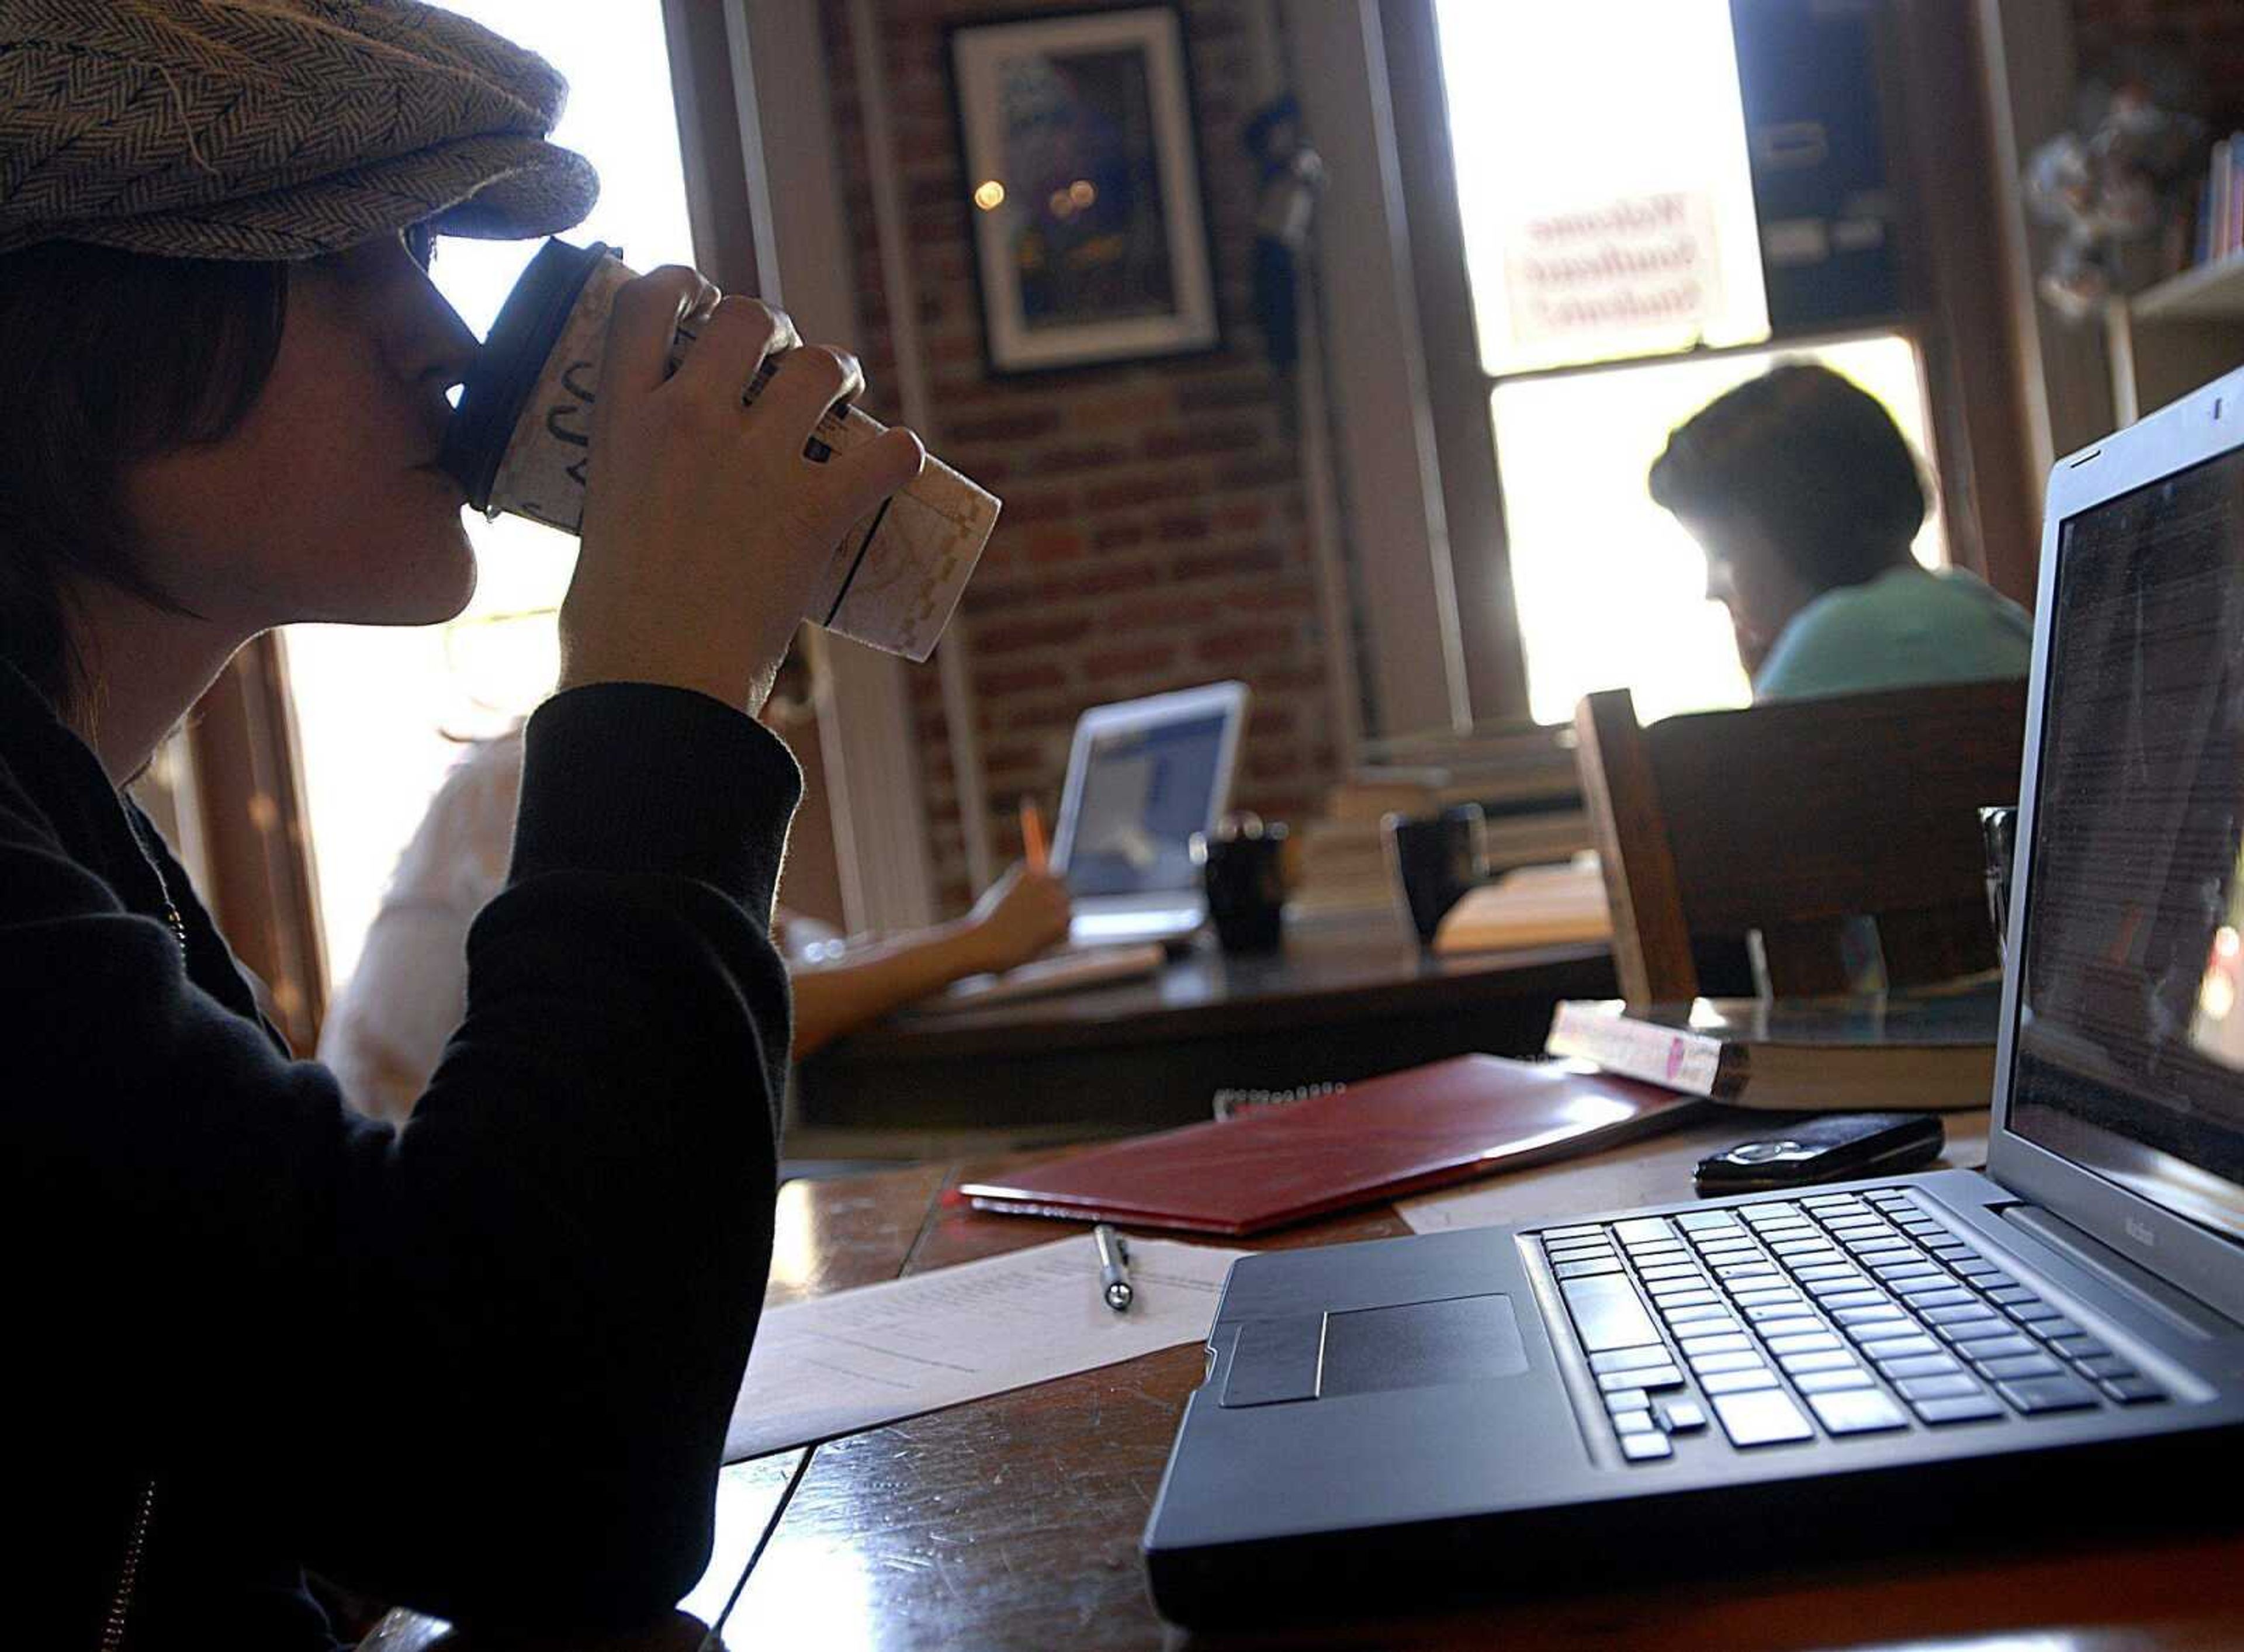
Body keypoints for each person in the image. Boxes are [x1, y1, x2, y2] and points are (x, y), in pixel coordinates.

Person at [0, 4, 924, 1645]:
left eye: (415, 255)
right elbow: (553, 1474)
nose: (438, 338)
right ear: (74, 318)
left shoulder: (71, 828)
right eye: (337, 262)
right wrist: (663, 687)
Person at [321, 672, 1072, 1124]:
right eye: (760, 711)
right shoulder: (530, 788)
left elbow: (766, 949)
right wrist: (977, 944)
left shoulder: (571, 779)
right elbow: (705, 1015)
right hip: (432, 1231)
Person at [1649, 362, 2032, 702]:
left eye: (1721, 553)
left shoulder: (1842, 636)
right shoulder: (1982, 607)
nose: (1711, 591)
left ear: (1797, 523)